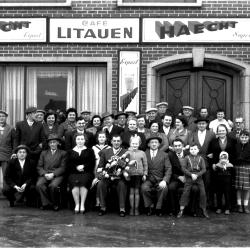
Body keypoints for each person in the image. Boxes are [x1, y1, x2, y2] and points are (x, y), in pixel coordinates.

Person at [96, 134, 128, 217]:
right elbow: (100, 166)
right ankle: (102, 207)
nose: (116, 143)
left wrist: (120, 171)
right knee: (101, 184)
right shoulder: (105, 152)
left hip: (119, 177)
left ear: (121, 142)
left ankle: (122, 208)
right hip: (107, 176)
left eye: (118, 141)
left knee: (122, 185)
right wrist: (102, 174)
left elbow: (127, 166)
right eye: (114, 141)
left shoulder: (125, 152)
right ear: (111, 142)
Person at [141, 136, 172, 216]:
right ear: (148, 144)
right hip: (148, 179)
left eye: (156, 142)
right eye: (152, 142)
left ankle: (159, 208)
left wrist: (165, 180)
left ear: (159, 144)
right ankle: (149, 207)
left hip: (160, 179)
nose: (154, 144)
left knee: (163, 188)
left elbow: (168, 168)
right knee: (144, 188)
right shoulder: (144, 153)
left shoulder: (164, 155)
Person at [207, 124, 236, 209]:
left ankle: (228, 206)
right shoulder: (213, 141)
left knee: (228, 188)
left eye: (223, 130)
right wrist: (212, 163)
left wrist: (230, 164)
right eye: (219, 131)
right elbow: (209, 154)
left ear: (226, 131)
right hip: (217, 167)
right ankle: (218, 206)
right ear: (217, 132)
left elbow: (234, 154)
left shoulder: (232, 141)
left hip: (229, 167)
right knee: (218, 187)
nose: (221, 132)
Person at [168, 139, 199, 216]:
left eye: (179, 145)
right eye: (175, 146)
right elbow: (169, 170)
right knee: (171, 187)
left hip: (189, 178)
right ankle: (173, 209)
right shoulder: (170, 155)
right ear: (173, 147)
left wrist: (187, 176)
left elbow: (194, 168)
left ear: (183, 146)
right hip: (177, 178)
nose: (177, 147)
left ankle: (193, 210)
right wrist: (179, 177)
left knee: (195, 189)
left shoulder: (189, 154)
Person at [36, 134, 67, 211]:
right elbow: (39, 166)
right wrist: (45, 174)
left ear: (58, 143)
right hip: (45, 174)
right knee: (39, 185)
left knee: (53, 186)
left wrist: (53, 174)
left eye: (54, 142)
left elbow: (63, 167)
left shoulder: (63, 153)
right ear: (48, 144)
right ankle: (46, 203)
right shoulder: (43, 153)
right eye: (51, 143)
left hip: (57, 175)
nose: (52, 144)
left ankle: (55, 204)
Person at [189, 117, 216, 205]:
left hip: (207, 162)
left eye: (203, 124)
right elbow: (190, 146)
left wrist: (212, 153)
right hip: (195, 163)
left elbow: (214, 147)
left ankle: (207, 202)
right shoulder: (193, 134)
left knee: (207, 182)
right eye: (199, 124)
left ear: (206, 124)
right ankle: (196, 202)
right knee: (196, 184)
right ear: (197, 125)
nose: (201, 125)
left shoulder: (211, 134)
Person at [177, 144, 209, 218]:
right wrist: (191, 175)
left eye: (195, 149)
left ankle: (204, 209)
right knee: (185, 192)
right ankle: (181, 210)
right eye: (191, 149)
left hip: (199, 178)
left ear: (198, 150)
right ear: (189, 150)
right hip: (189, 177)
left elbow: (204, 169)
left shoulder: (201, 158)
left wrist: (197, 175)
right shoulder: (186, 158)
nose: (193, 150)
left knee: (203, 193)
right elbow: (183, 168)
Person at [68, 133, 95, 214]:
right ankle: (77, 204)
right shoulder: (70, 151)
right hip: (73, 172)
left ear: (85, 140)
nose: (80, 141)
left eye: (82, 139)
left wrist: (83, 166)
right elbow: (68, 163)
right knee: (75, 183)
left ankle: (82, 204)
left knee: (83, 183)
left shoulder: (90, 150)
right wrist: (76, 167)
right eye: (78, 139)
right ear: (75, 140)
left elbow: (91, 162)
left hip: (86, 172)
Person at [126, 135, 148, 216]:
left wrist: (145, 174)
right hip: (130, 175)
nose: (134, 145)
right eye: (133, 143)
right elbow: (123, 162)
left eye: (136, 144)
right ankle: (132, 208)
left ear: (139, 144)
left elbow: (145, 164)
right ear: (130, 143)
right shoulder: (127, 152)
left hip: (139, 175)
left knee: (137, 192)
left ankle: (136, 208)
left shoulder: (142, 153)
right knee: (131, 192)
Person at [91, 131, 111, 208]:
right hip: (96, 167)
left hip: (105, 167)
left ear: (106, 138)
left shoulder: (109, 148)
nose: (102, 138)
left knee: (101, 183)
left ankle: (102, 200)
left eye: (103, 137)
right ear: (97, 138)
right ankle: (97, 200)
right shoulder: (93, 147)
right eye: (100, 137)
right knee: (96, 182)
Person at [234, 130, 250, 213]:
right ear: (239, 137)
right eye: (242, 137)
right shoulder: (236, 146)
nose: (244, 139)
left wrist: (244, 159)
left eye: (246, 137)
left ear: (248, 138)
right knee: (239, 188)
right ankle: (239, 205)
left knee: (247, 188)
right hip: (238, 167)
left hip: (247, 168)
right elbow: (233, 156)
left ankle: (246, 206)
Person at [0, 110, 15, 192]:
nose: (1, 118)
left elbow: (14, 142)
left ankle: (6, 191)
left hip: (6, 154)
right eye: (0, 116)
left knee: (6, 174)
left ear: (6, 118)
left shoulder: (11, 128)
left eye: (3, 116)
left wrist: (13, 153)